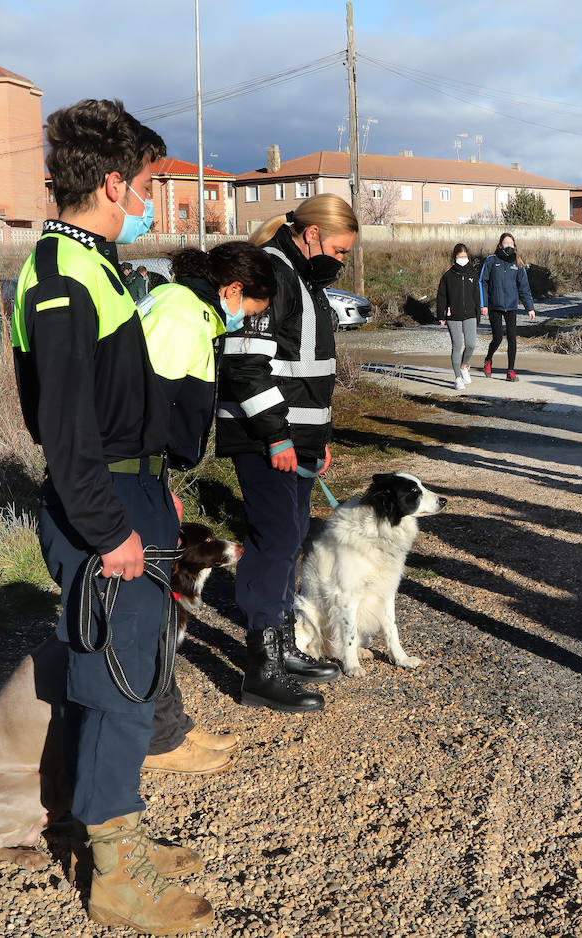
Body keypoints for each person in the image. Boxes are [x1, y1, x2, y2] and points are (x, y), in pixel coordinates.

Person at [11, 98, 212, 934]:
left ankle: (117, 826)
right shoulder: (60, 277)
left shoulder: (96, 263)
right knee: (118, 687)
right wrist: (110, 528)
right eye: (148, 185)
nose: (151, 202)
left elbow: (117, 405)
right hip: (104, 510)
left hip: (131, 494)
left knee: (128, 677)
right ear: (113, 183)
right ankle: (114, 876)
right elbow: (65, 432)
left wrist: (150, 493)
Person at [134, 242, 276, 776]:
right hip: (129, 474)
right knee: (147, 617)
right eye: (249, 311)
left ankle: (172, 727)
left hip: (145, 473)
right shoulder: (181, 317)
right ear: (233, 290)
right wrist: (146, 477)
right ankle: (160, 741)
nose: (242, 323)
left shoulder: (184, 309)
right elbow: (142, 409)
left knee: (160, 616)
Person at [217, 196, 350, 712]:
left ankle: (282, 645)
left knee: (289, 537)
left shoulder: (303, 278)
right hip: (264, 438)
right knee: (275, 541)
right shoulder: (271, 274)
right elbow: (247, 367)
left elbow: (307, 373)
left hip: (297, 440)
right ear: (312, 233)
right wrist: (277, 437)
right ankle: (262, 669)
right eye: (338, 249)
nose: (340, 260)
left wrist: (318, 438)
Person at [478, 232, 535, 381]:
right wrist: (483, 304)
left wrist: (530, 307)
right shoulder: (491, 260)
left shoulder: (518, 263)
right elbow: (482, 282)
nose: (508, 245)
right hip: (494, 306)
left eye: (511, 243)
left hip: (511, 306)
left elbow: (524, 287)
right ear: (500, 245)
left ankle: (510, 371)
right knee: (497, 338)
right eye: (506, 243)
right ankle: (488, 360)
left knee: (512, 338)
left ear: (514, 246)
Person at [435, 242, 479, 390]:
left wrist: (478, 313)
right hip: (453, 315)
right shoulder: (448, 276)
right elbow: (441, 296)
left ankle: (464, 366)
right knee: (457, 345)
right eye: (460, 257)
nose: (463, 259)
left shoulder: (473, 273)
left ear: (468, 257)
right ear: (454, 258)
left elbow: (476, 295)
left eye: (465, 256)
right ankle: (457, 378)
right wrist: (441, 314)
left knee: (471, 344)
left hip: (470, 314)